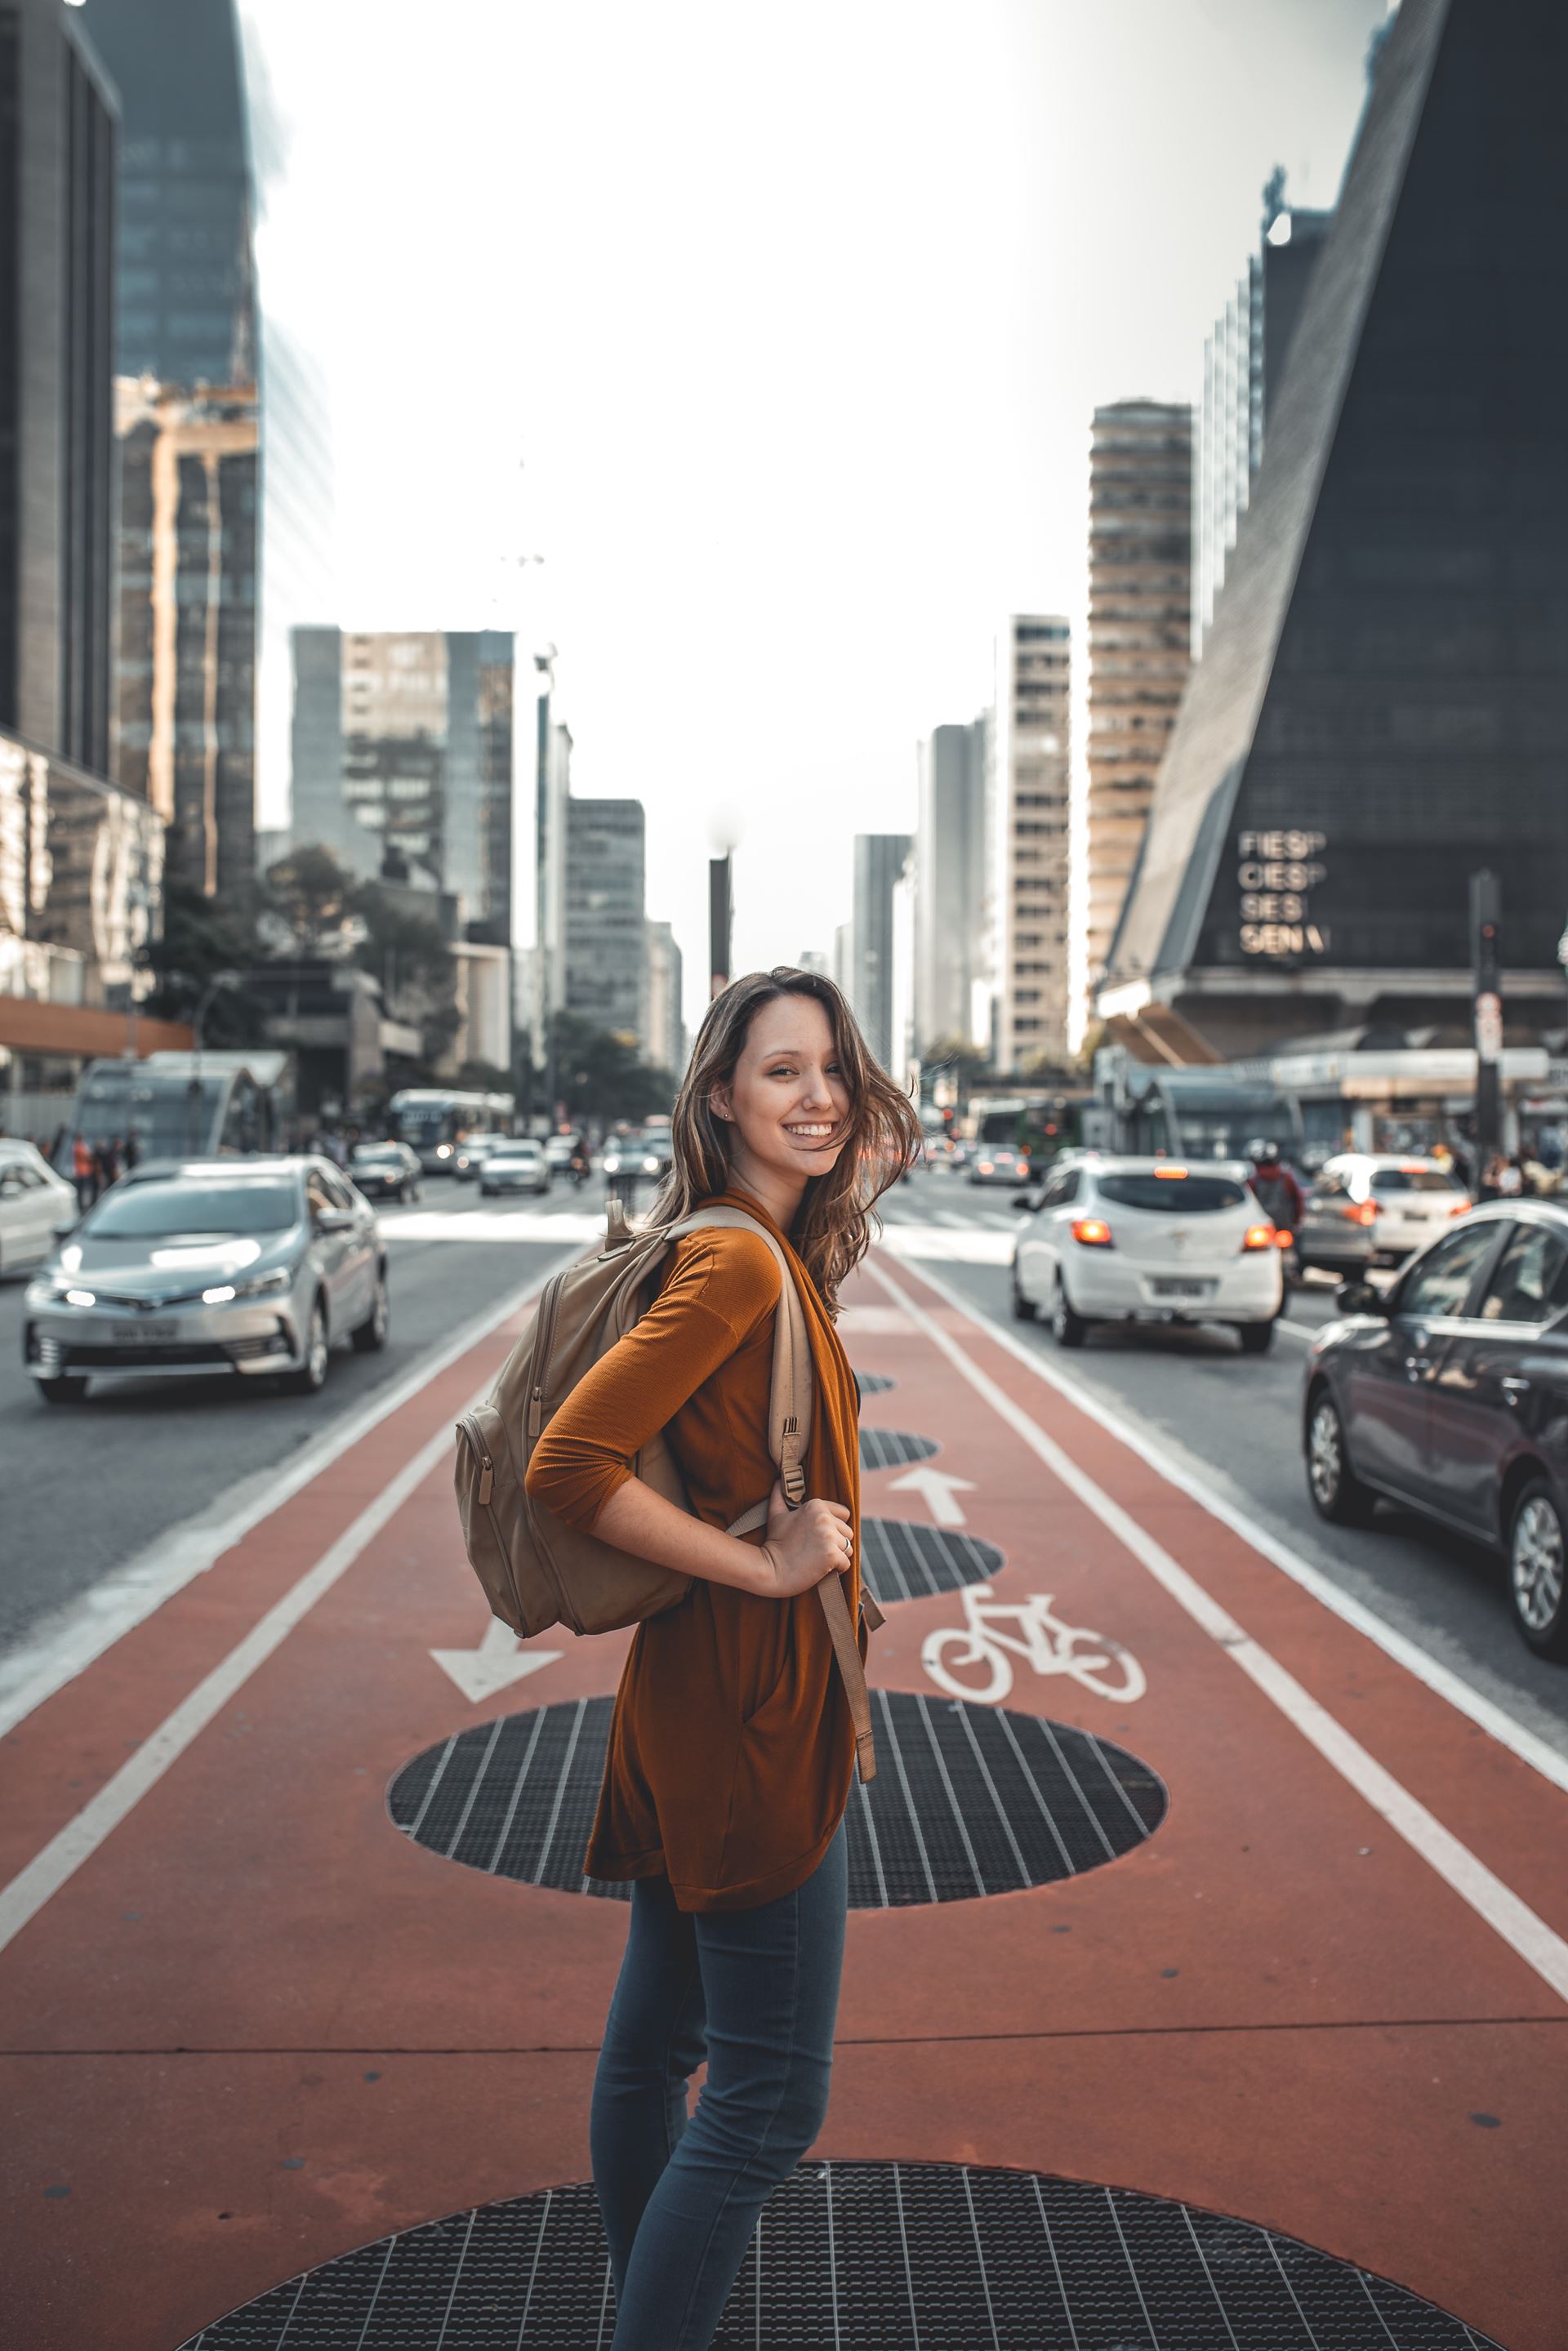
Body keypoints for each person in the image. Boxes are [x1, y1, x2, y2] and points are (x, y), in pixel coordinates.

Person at [525, 966, 921, 2351]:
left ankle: (645, 2306)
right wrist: (763, 1560)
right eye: (780, 1072)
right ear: (720, 1097)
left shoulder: (754, 1245)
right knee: (765, 2105)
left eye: (832, 1069)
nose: (817, 1098)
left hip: (693, 1700)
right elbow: (570, 1460)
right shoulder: (740, 1257)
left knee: (654, 2054)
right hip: (756, 1713)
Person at [72, 1133, 96, 1212]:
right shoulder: (78, 1147)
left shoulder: (82, 1146)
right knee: (81, 1190)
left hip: (85, 1171)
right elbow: (86, 1156)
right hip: (81, 1172)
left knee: (84, 1190)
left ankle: (83, 1205)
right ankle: (81, 1206)